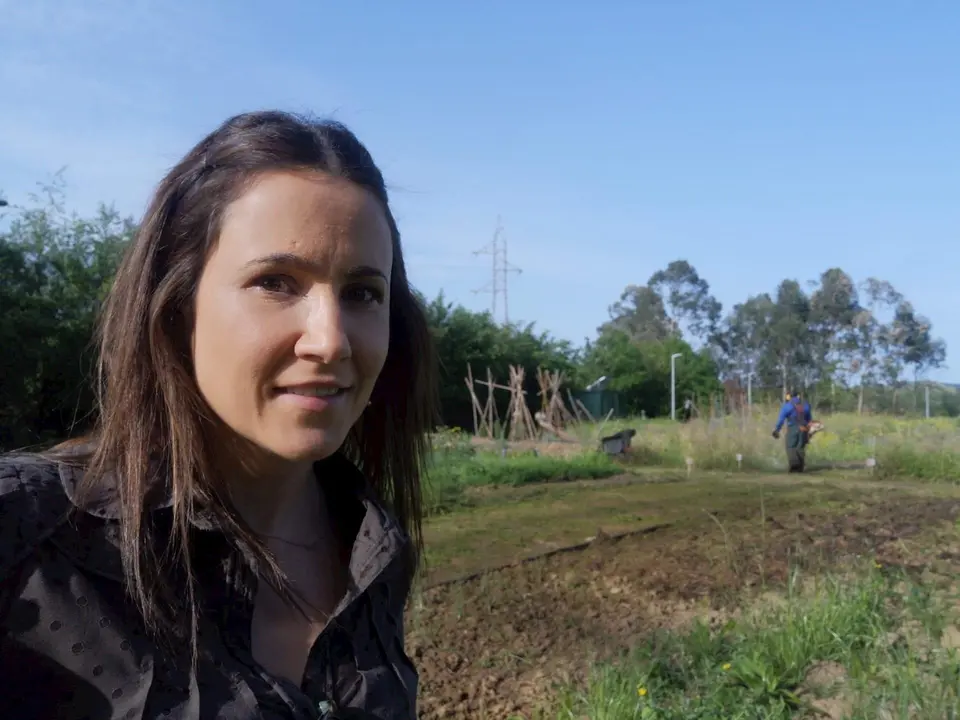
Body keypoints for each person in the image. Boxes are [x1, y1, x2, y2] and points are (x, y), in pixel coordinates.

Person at [0, 111, 437, 720]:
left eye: (362, 292)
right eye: (277, 282)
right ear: (179, 307)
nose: (330, 340)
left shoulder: (375, 551)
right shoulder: (27, 537)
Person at [772, 390, 813, 472]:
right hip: (804, 429)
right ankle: (800, 468)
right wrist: (809, 431)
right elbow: (809, 420)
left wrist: (777, 430)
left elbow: (781, 420)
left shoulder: (787, 406)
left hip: (793, 428)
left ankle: (794, 466)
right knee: (800, 447)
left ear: (789, 397)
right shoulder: (806, 405)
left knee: (790, 447)